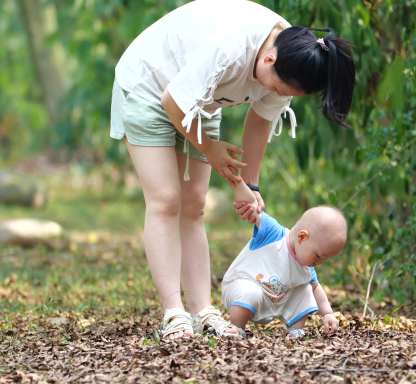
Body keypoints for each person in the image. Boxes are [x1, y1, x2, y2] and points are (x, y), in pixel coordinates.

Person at [109, 0, 355, 340]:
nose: (272, 93)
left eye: (282, 93)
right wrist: (211, 149)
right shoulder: (232, 48)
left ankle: (201, 310)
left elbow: (259, 122)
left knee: (194, 204)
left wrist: (249, 186)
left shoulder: (292, 60)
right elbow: (171, 101)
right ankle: (173, 313)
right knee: (166, 199)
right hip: (151, 86)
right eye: (274, 87)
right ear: (269, 59)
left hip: (201, 99)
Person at [221, 186, 347, 339]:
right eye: (318, 256)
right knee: (250, 292)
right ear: (302, 237)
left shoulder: (306, 267)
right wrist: (249, 203)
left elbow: (316, 289)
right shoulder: (273, 233)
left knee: (306, 290)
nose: (319, 263)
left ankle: (296, 330)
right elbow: (257, 215)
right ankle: (236, 326)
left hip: (273, 297)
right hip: (241, 287)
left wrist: (327, 313)